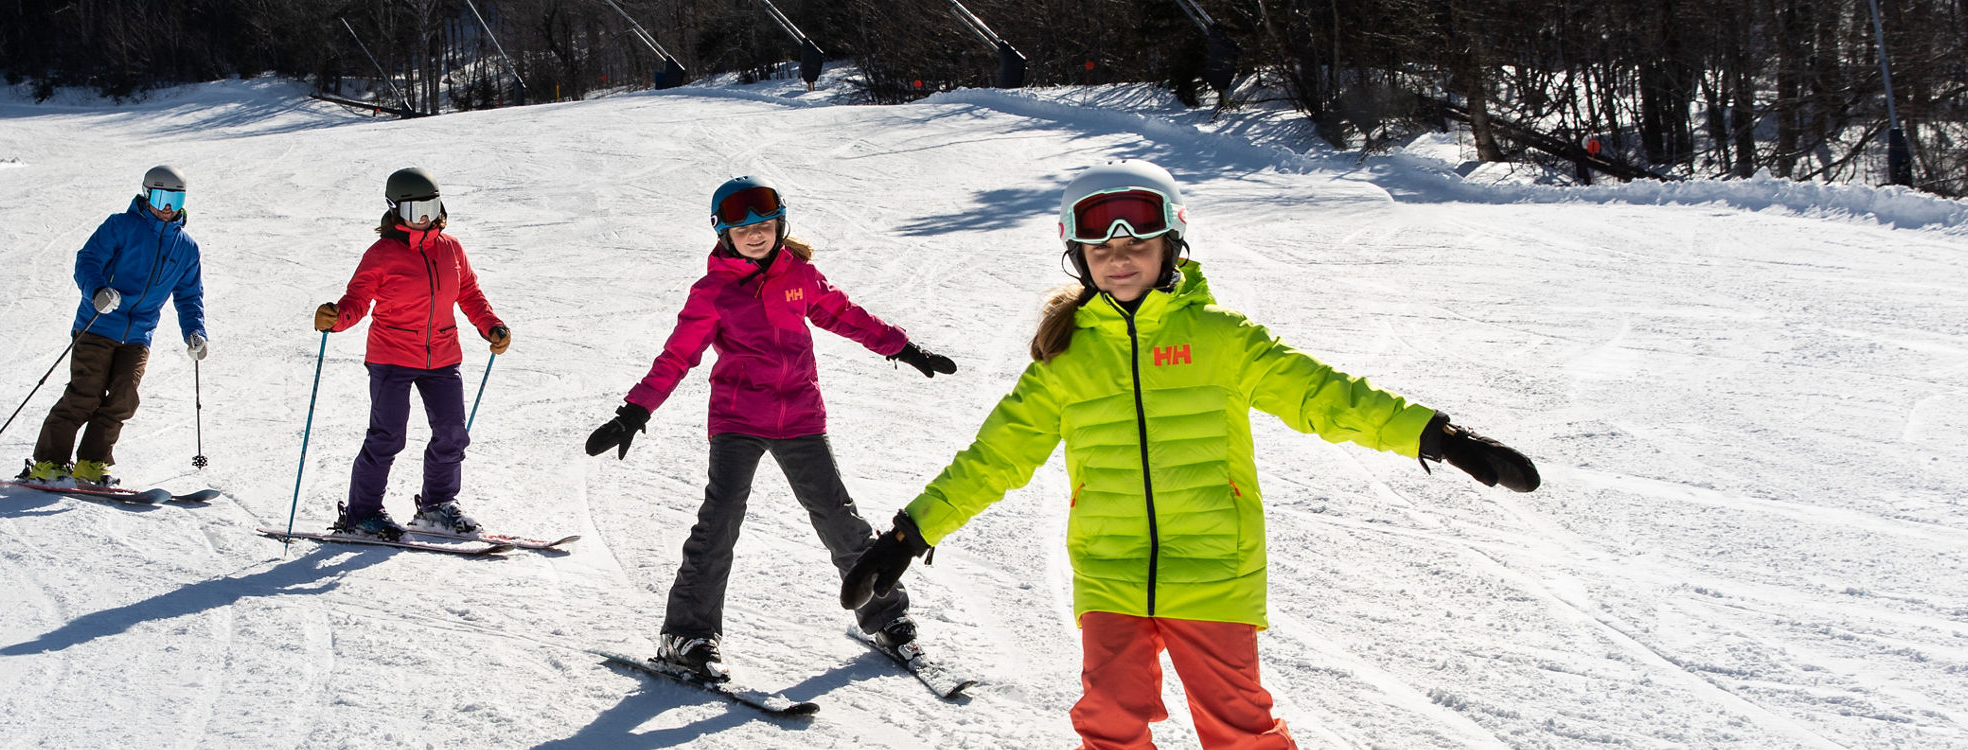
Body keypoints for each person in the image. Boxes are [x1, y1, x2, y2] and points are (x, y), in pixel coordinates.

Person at [838, 160, 1539, 750]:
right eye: (1101, 246)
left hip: (1214, 568)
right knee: (1109, 721)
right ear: (1077, 255)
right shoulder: (1065, 357)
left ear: (1172, 244)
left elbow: (1324, 396)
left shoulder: (1220, 337)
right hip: (1110, 572)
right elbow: (994, 458)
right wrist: (911, 531)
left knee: (1238, 729)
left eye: (1138, 242)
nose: (1120, 256)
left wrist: (1435, 435)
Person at [584, 176, 960, 683]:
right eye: (744, 230)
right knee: (718, 524)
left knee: (839, 518)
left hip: (801, 416)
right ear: (723, 235)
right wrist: (635, 411)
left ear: (780, 225)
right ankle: (685, 635)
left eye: (764, 226)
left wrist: (902, 347)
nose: (756, 236)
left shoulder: (797, 274)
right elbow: (677, 357)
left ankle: (886, 616)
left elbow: (845, 314)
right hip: (738, 420)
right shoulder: (713, 292)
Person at [312, 167, 510, 541]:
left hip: (442, 355)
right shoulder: (381, 254)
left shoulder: (451, 248)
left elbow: (468, 293)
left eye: (431, 206)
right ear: (394, 211)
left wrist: (491, 325)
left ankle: (437, 507)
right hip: (391, 357)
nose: (424, 218)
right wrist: (336, 319)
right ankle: (362, 514)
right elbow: (357, 300)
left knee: (452, 433)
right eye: (414, 210)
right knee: (387, 436)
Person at [21, 165, 209, 487]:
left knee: (124, 397)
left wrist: (196, 332)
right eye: (163, 198)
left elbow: (189, 296)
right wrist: (97, 292)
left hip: (139, 334)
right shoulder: (121, 226)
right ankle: (49, 463)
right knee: (86, 393)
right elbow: (87, 260)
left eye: (176, 201)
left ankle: (92, 463)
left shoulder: (187, 248)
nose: (167, 208)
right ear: (147, 194)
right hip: (98, 324)